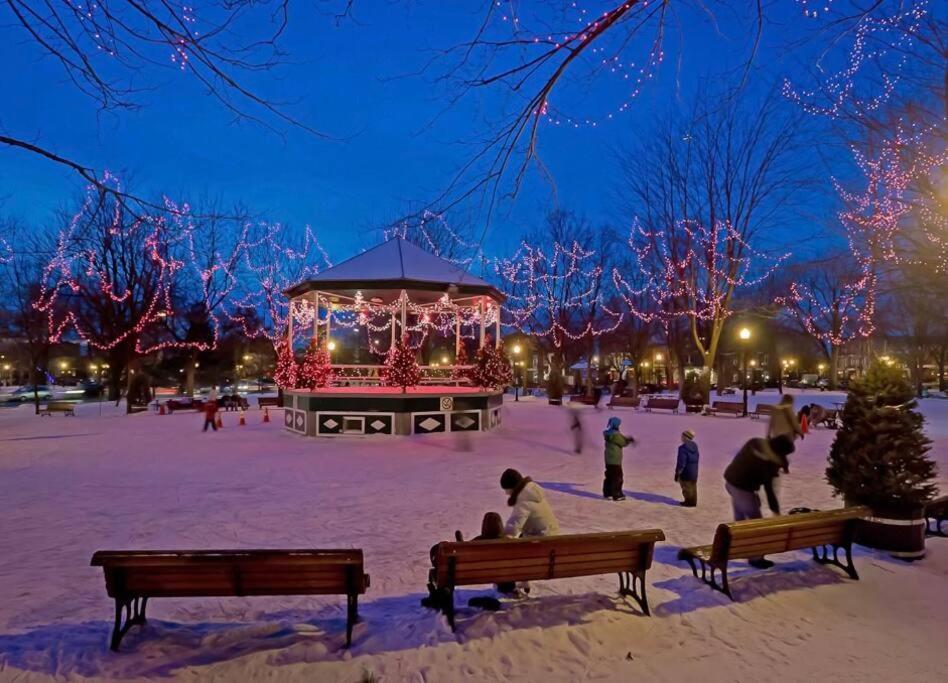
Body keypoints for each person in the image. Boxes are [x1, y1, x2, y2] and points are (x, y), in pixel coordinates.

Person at [723, 436, 795, 568]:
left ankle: (739, 545)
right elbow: (769, 489)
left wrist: (781, 464)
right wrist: (775, 511)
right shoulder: (768, 463)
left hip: (731, 481)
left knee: (740, 518)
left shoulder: (755, 442)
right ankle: (756, 558)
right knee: (756, 524)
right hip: (743, 489)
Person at [500, 469, 559, 538]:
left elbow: (515, 524)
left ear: (513, 487)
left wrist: (505, 536)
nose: (506, 493)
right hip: (551, 535)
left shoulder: (524, 499)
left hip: (542, 541)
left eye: (507, 490)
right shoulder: (531, 492)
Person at [602, 417, 635, 501]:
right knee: (618, 477)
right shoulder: (615, 434)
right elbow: (623, 442)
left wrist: (626, 439)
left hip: (609, 460)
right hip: (615, 460)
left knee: (609, 476)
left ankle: (607, 492)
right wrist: (629, 440)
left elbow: (620, 439)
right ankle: (617, 494)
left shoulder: (609, 433)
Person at [675, 429, 700, 507]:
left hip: (686, 472)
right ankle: (693, 502)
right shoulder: (695, 446)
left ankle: (688, 502)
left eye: (682, 436)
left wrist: (678, 472)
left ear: (686, 437)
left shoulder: (682, 448)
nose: (681, 438)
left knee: (686, 487)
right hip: (694, 471)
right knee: (693, 487)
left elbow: (681, 462)